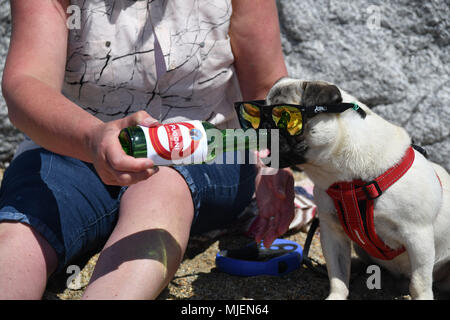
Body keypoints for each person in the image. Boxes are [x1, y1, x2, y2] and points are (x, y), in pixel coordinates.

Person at [0, 0, 294, 299]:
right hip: (73, 146)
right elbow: (28, 82)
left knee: (161, 189)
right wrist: (92, 138)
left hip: (203, 148)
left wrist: (273, 160)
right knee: (20, 235)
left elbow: (265, 88)